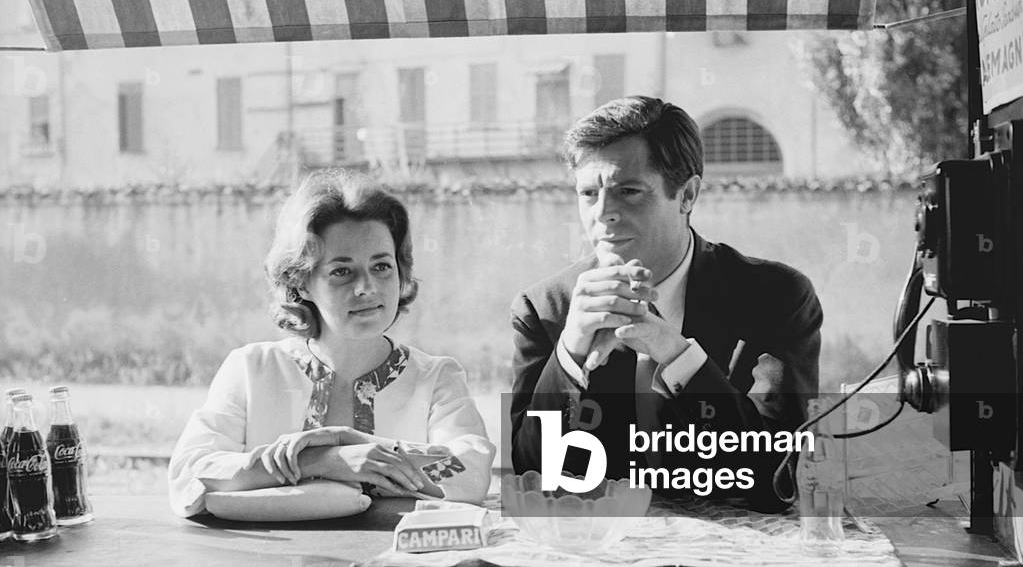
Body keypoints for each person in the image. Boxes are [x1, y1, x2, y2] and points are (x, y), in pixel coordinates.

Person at [509, 96, 822, 510]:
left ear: (687, 194)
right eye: (588, 193)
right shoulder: (545, 310)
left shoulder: (776, 296)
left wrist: (677, 356)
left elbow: (778, 478)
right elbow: (533, 480)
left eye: (629, 191)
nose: (603, 213)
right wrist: (569, 354)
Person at [169, 170, 495, 519]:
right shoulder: (252, 368)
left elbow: (469, 477)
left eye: (382, 266)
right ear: (302, 281)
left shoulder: (437, 378)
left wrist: (354, 443)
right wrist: (319, 461)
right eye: (342, 271)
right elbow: (189, 476)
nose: (367, 287)